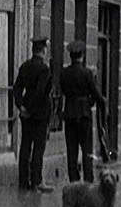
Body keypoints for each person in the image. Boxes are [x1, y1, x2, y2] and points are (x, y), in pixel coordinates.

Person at [59, 40, 105, 183]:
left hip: (70, 114)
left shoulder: (64, 73)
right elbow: (97, 95)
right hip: (84, 115)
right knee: (87, 151)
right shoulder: (87, 73)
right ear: (82, 56)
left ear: (71, 56)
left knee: (71, 151)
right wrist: (94, 101)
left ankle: (74, 181)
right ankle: (88, 181)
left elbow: (64, 91)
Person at [13, 36, 54, 193]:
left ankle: (23, 182)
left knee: (25, 146)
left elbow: (16, 88)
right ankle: (37, 181)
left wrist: (21, 106)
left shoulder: (24, 66)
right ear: (43, 51)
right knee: (38, 148)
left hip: (25, 114)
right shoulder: (44, 69)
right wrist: (30, 109)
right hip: (40, 114)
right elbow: (40, 92)